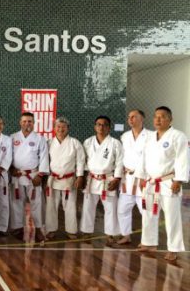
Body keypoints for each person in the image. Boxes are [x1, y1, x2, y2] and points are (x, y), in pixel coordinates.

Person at [136, 106, 189, 261]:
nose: (158, 119)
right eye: (156, 116)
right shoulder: (150, 137)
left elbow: (182, 159)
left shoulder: (178, 136)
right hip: (150, 181)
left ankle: (174, 248)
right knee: (148, 214)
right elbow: (143, 158)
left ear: (170, 119)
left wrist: (178, 180)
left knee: (172, 216)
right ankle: (149, 242)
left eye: (163, 116)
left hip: (168, 181)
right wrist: (140, 177)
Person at [80, 116, 123, 246]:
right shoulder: (88, 142)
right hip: (91, 178)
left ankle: (110, 234)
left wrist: (117, 178)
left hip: (108, 178)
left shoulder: (115, 143)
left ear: (109, 127)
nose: (101, 127)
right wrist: (81, 176)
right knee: (88, 207)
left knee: (110, 207)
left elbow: (120, 162)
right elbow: (83, 161)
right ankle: (87, 232)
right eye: (98, 124)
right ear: (95, 126)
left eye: (104, 125)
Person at [9, 112, 49, 242]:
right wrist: (11, 168)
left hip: (33, 176)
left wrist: (41, 175)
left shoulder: (40, 139)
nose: (27, 124)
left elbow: (44, 158)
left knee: (37, 203)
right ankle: (17, 228)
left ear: (34, 123)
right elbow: (8, 156)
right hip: (17, 175)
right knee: (16, 202)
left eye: (30, 121)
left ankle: (38, 229)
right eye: (25, 121)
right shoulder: (13, 137)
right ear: (20, 122)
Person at [45, 117, 85, 239]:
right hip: (53, 178)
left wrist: (80, 176)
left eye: (63, 127)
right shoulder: (49, 143)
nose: (60, 129)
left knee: (70, 205)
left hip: (69, 179)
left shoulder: (75, 143)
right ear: (54, 128)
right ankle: (51, 229)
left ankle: (71, 230)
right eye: (58, 127)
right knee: (51, 205)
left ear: (68, 128)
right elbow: (45, 161)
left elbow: (80, 161)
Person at [117, 110, 150, 245]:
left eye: (134, 117)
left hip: (143, 178)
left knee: (145, 211)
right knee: (122, 209)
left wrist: (146, 176)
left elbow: (152, 158)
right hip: (127, 179)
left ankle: (148, 239)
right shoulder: (124, 136)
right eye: (129, 117)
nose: (130, 119)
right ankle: (126, 235)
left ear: (142, 119)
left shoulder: (151, 136)